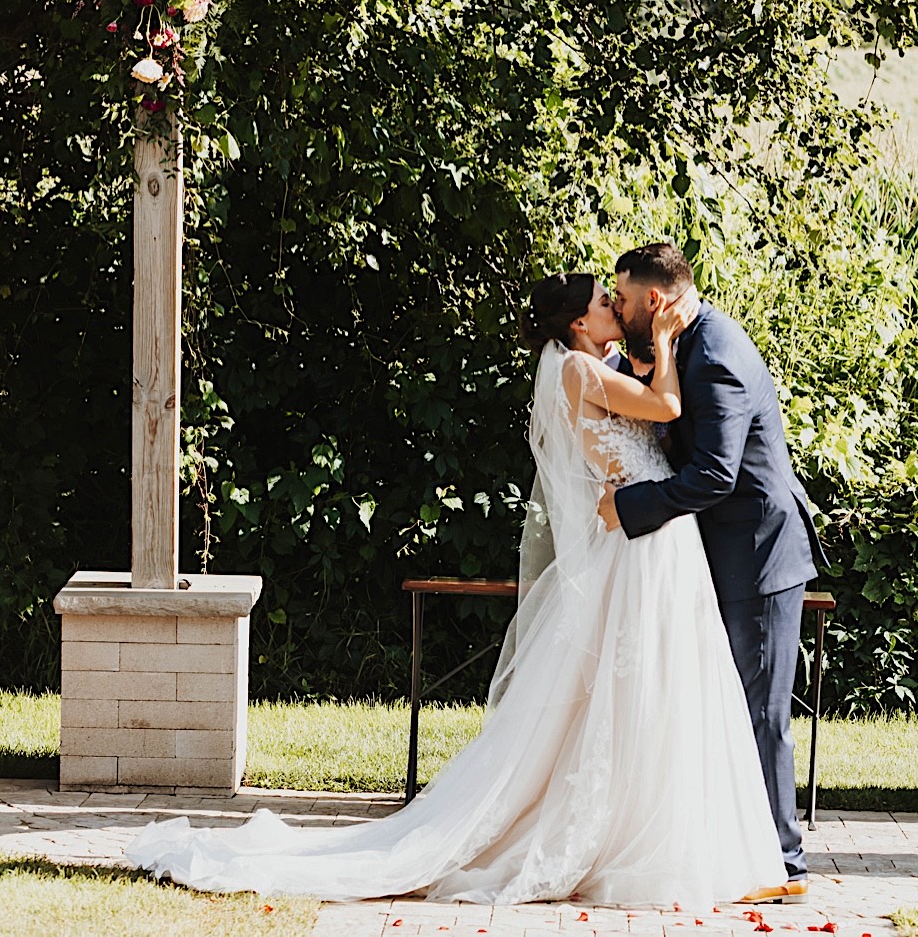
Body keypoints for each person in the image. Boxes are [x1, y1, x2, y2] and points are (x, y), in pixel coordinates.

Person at [124, 272, 787, 908]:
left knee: (650, 690)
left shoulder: (594, 368)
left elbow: (649, 412)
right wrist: (667, 343)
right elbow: (667, 405)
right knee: (627, 690)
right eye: (605, 304)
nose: (618, 307)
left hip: (651, 540)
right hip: (638, 546)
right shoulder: (579, 370)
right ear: (582, 322)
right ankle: (619, 834)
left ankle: (646, 826)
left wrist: (652, 354)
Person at [597, 243, 827, 903]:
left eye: (624, 298)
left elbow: (714, 475)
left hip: (755, 551)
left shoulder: (717, 352)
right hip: (721, 549)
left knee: (760, 710)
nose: (618, 306)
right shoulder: (686, 341)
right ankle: (746, 848)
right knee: (730, 704)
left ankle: (784, 865)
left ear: (656, 302)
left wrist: (628, 506)